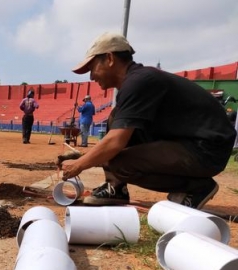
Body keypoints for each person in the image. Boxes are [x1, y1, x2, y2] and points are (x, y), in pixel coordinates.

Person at [59, 32, 236, 209]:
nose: (91, 76)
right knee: (117, 116)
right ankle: (116, 187)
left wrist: (78, 165)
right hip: (190, 141)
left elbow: (115, 142)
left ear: (109, 58)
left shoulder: (139, 81)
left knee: (121, 163)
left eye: (92, 68)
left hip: (206, 150)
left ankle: (198, 188)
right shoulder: (136, 82)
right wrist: (85, 158)